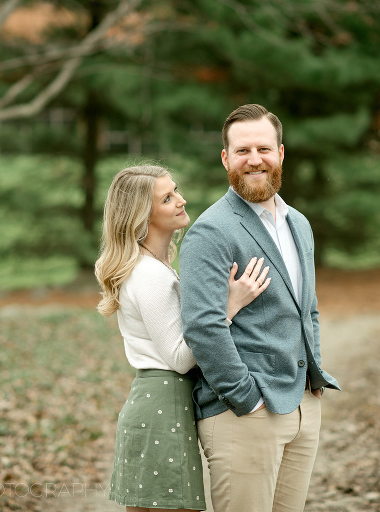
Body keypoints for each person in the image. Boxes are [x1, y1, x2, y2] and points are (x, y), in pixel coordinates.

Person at [179, 104, 341, 512]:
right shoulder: (211, 231)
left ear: (281, 153)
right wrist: (246, 399)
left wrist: (313, 386)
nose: (254, 160)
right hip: (245, 416)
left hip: (303, 405)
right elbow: (202, 326)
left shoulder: (298, 223)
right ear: (225, 158)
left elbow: (309, 311)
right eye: (242, 150)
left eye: (264, 149)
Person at [95, 164, 271, 512]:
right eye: (168, 197)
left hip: (163, 403)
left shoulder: (155, 268)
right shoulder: (148, 274)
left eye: (175, 191)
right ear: (142, 215)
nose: (181, 200)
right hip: (162, 405)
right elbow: (179, 356)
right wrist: (228, 305)